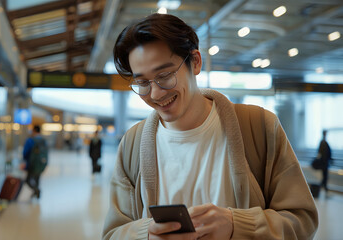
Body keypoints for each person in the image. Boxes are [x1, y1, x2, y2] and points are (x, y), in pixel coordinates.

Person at [102, 13, 318, 240]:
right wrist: (145, 234)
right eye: (143, 83)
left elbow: (302, 221)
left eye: (165, 75)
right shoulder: (132, 144)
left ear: (195, 62)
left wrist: (236, 225)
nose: (155, 94)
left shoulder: (258, 127)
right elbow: (112, 234)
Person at [23, 125, 48, 199]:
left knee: (27, 180)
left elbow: (25, 152)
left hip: (32, 164)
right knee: (37, 179)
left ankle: (36, 190)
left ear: (34, 131)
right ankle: (36, 192)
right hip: (41, 164)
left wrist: (25, 162)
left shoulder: (30, 140)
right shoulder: (44, 141)